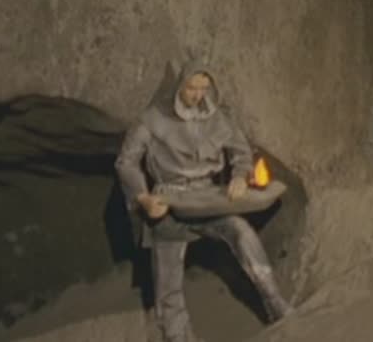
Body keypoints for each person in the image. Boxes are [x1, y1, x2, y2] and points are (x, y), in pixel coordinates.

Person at [115, 57, 293, 341]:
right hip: (170, 200)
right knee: (168, 276)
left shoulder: (217, 117)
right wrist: (144, 198)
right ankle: (177, 335)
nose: (197, 95)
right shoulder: (153, 119)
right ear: (179, 86)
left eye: (203, 88)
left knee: (241, 232)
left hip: (208, 196)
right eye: (192, 88)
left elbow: (241, 152)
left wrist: (239, 175)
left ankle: (276, 305)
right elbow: (126, 162)